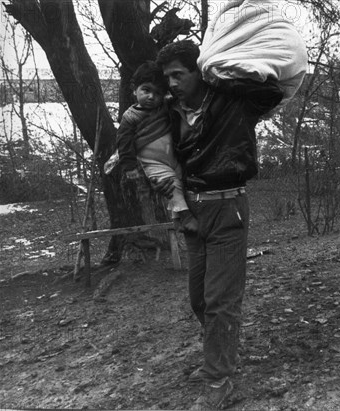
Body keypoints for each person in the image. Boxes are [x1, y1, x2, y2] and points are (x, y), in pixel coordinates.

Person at [154, 40, 283, 409]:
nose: (173, 83)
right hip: (194, 212)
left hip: (229, 208)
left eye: (179, 74)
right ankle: (220, 356)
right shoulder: (172, 112)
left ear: (201, 72)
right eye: (168, 77)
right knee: (199, 298)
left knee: (220, 301)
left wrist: (223, 77)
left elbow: (271, 91)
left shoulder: (233, 101)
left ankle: (219, 379)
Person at [116, 61, 198, 233]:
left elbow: (176, 100)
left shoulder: (164, 106)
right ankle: (186, 216)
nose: (152, 97)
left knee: (182, 181)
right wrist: (129, 166)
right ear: (134, 89)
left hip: (173, 155)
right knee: (170, 184)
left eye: (157, 93)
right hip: (152, 161)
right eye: (146, 90)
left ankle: (177, 219)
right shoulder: (130, 116)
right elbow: (124, 142)